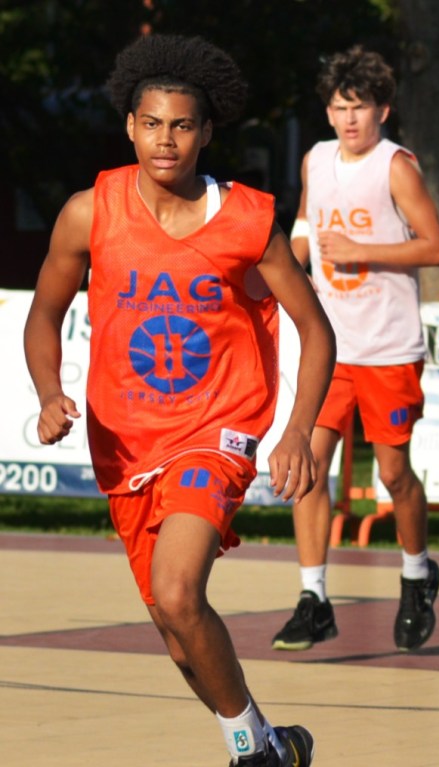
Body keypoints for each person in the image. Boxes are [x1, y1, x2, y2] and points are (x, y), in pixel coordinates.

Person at [23, 34, 335, 767]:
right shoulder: (88, 212)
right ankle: (268, 742)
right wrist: (49, 392)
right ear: (130, 127)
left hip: (216, 429)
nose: (167, 139)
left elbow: (316, 330)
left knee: (177, 590)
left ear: (207, 132)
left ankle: (248, 755)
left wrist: (298, 430)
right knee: (174, 627)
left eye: (183, 125)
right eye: (154, 124)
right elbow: (44, 313)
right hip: (125, 441)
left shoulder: (247, 219)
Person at [272, 46, 439, 653]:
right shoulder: (316, 159)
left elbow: (437, 247)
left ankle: (416, 575)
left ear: (383, 111)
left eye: (361, 107)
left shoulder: (395, 166)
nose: (350, 118)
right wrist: (283, 269)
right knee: (308, 466)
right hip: (331, 345)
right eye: (340, 107)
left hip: (388, 346)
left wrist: (362, 251)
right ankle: (313, 598)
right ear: (328, 111)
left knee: (393, 474)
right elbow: (305, 224)